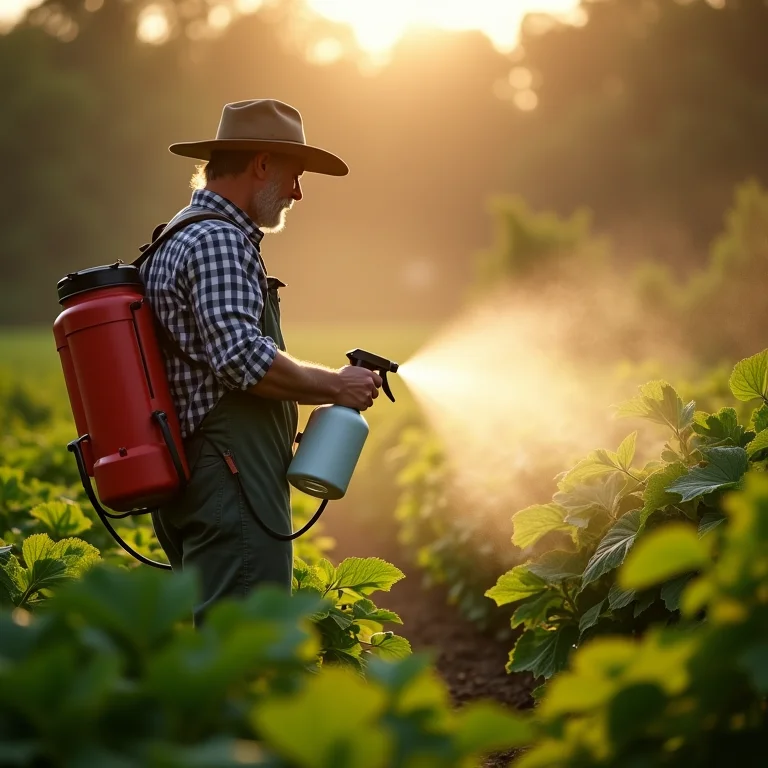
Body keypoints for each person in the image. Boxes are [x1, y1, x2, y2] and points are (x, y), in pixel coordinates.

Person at [140, 99, 382, 624]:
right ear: (263, 164)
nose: (298, 191)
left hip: (196, 475)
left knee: (215, 647)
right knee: (244, 650)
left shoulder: (178, 233)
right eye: (295, 174)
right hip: (229, 482)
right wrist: (336, 387)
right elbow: (242, 360)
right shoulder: (220, 241)